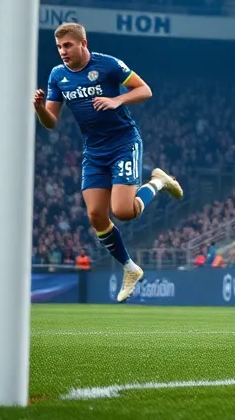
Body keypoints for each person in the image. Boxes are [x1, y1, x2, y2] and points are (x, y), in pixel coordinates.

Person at [32, 22, 183, 302]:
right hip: (94, 151)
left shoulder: (108, 65)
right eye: (59, 47)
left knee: (123, 211)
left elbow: (145, 90)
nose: (63, 51)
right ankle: (130, 268)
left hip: (123, 142)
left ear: (83, 44)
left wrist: (117, 100)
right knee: (96, 216)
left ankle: (158, 182)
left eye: (68, 45)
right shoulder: (57, 75)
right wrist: (40, 109)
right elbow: (50, 122)